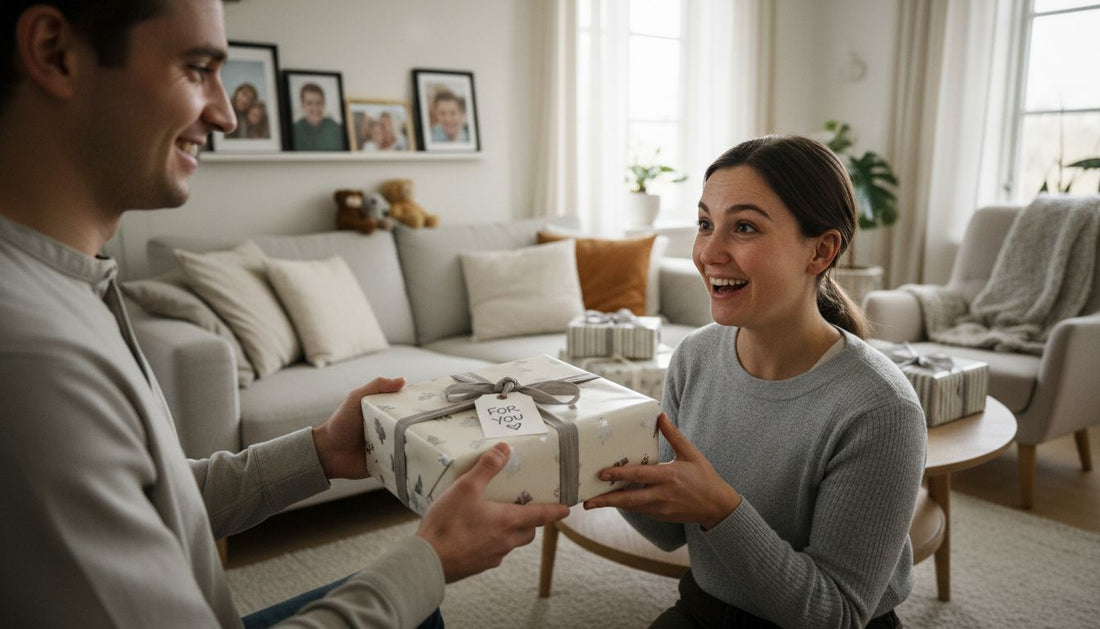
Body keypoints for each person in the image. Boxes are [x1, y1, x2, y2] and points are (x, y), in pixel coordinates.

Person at [0, 2, 568, 627]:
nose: (225, 111)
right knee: (413, 600)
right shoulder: (33, 357)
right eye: (196, 68)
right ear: (56, 52)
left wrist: (321, 451)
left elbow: (154, 496)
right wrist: (430, 560)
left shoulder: (71, 289)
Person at [584, 135, 927, 628]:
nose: (709, 252)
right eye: (706, 224)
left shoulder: (880, 408)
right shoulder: (695, 356)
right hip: (705, 607)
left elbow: (837, 613)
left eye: (743, 227)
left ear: (821, 251)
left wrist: (720, 508)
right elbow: (670, 533)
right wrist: (588, 452)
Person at [292, 82, 344, 150]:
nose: (315, 108)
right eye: (309, 103)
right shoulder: (295, 130)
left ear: (324, 104)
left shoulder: (335, 128)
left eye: (319, 103)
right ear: (302, 105)